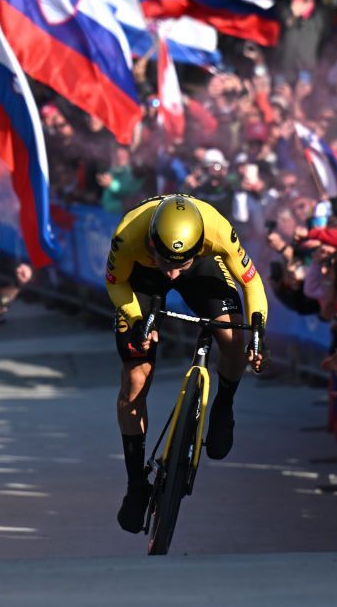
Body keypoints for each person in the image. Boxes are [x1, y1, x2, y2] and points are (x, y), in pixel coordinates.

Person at [105, 194, 268, 533]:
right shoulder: (128, 235)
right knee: (136, 377)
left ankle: (224, 403)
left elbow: (251, 281)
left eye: (182, 263)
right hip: (141, 277)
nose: (175, 273)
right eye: (168, 262)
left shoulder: (216, 229)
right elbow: (116, 283)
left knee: (232, 338)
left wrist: (258, 329)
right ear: (151, 242)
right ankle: (136, 485)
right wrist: (136, 319)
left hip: (204, 268)